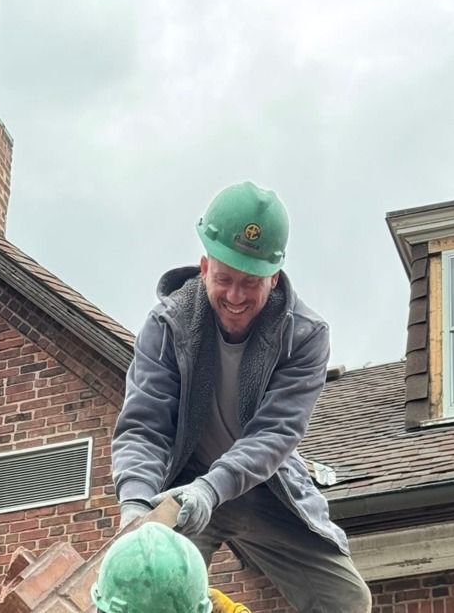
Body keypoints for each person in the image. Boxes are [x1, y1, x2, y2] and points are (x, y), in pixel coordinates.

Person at [112, 182, 372, 613]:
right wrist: (137, 508)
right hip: (185, 485)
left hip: (268, 487)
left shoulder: (305, 336)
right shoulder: (167, 324)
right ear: (203, 267)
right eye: (224, 279)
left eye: (250, 283)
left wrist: (212, 490)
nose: (235, 297)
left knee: (346, 601)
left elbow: (274, 435)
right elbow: (144, 424)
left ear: (274, 277)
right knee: (153, 592)